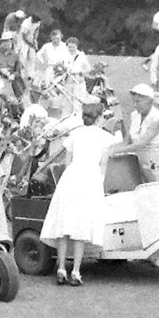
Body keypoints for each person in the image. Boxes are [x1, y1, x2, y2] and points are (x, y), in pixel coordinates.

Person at [39, 100, 119, 285]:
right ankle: (75, 271)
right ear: (99, 118)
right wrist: (100, 183)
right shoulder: (104, 137)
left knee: (65, 224)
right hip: (90, 178)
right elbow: (103, 165)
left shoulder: (75, 134)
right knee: (81, 226)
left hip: (71, 177)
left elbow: (67, 162)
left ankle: (61, 268)